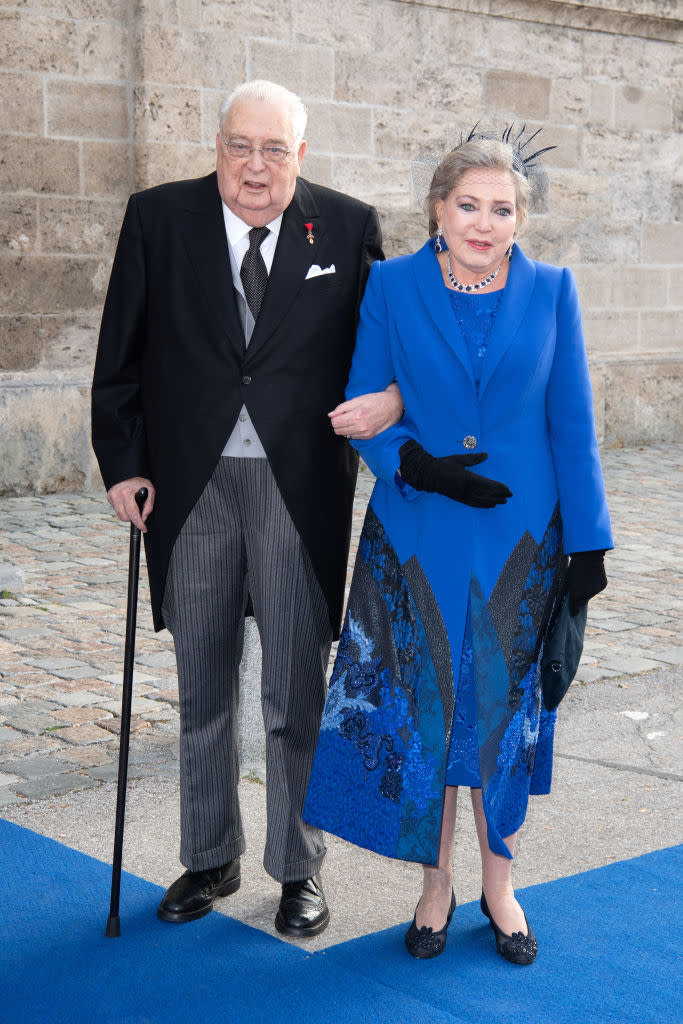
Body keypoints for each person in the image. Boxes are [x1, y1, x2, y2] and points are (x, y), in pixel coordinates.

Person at [91, 80, 403, 938]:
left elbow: (382, 343)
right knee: (203, 688)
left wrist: (398, 401)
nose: (254, 166)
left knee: (294, 690)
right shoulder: (157, 218)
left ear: (300, 156)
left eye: (274, 150)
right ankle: (210, 854)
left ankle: (298, 866)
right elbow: (119, 353)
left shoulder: (346, 225)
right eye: (240, 146)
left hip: (297, 487)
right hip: (189, 488)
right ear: (216, 145)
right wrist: (123, 465)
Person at [304, 129, 613, 962]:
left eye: (501, 208)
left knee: (503, 715)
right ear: (438, 210)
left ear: (520, 218)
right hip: (418, 527)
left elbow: (572, 425)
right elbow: (363, 402)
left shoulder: (551, 291)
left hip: (524, 536)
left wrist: (588, 545)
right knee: (427, 713)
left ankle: (499, 882)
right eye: (468, 205)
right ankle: (434, 881)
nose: (484, 222)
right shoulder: (391, 285)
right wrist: (417, 465)